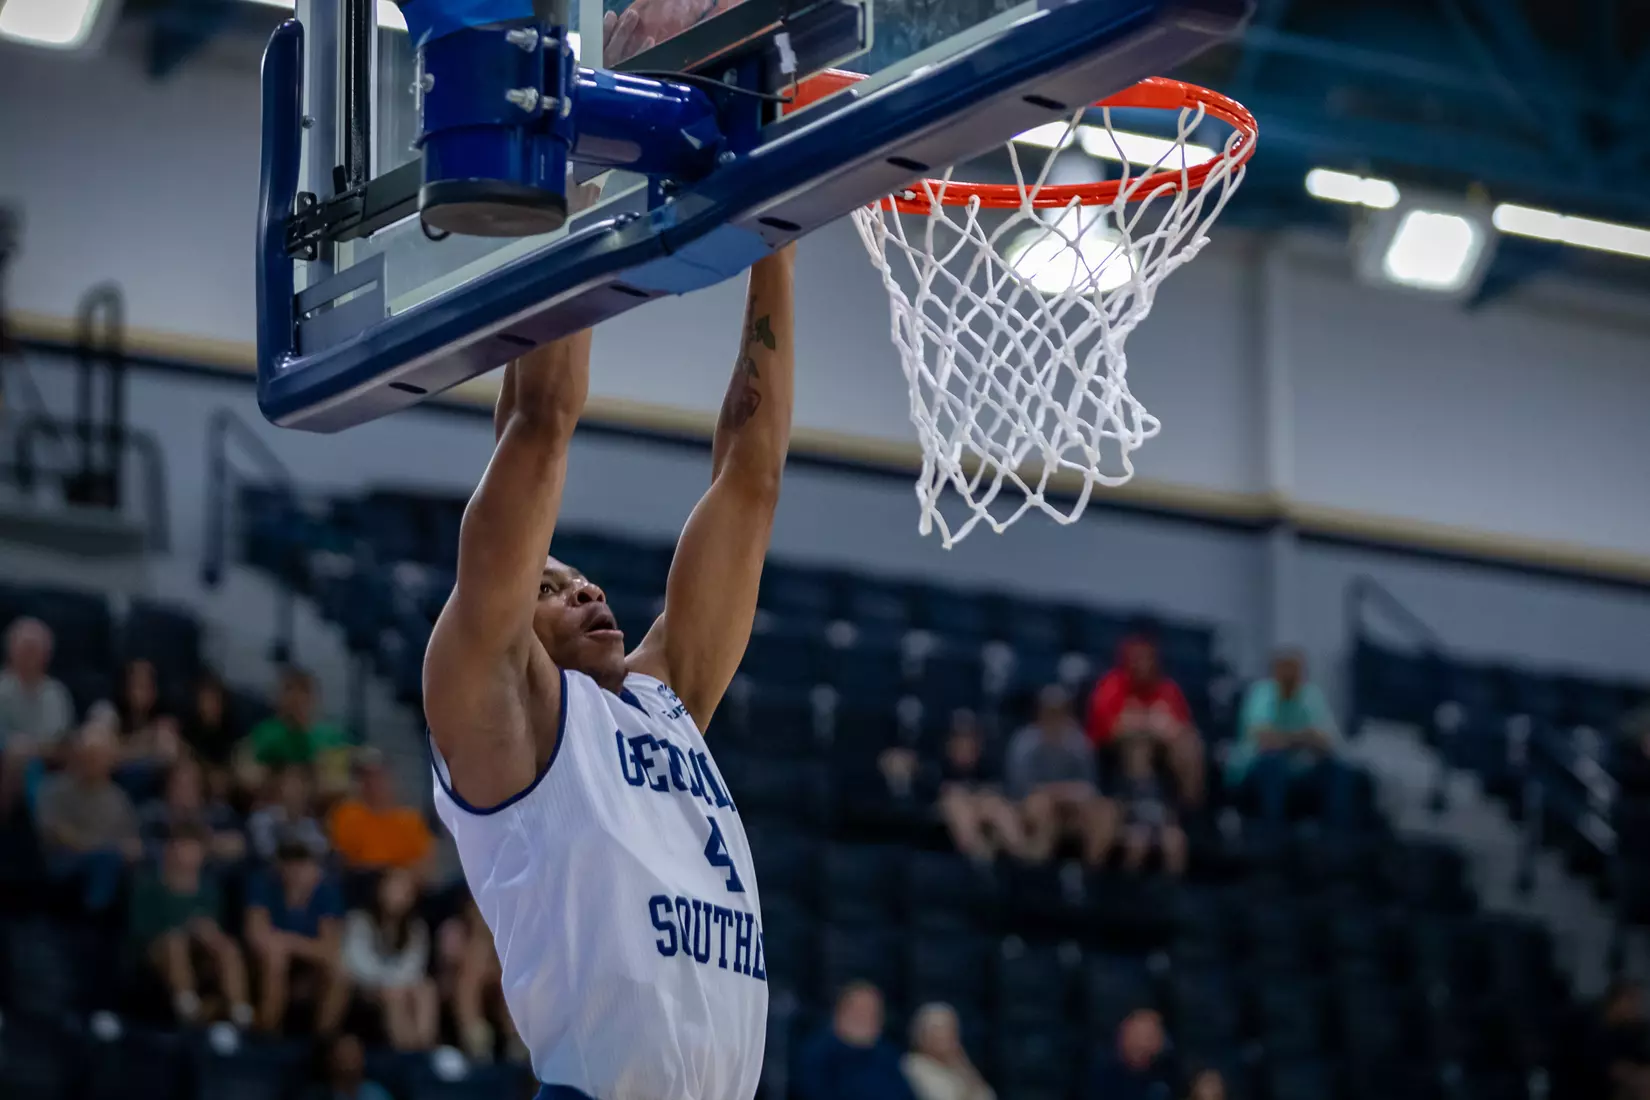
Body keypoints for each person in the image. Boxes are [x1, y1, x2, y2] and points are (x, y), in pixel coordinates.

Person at [422, 246, 795, 1099]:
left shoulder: (666, 699)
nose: (583, 585)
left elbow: (752, 479)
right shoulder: (498, 714)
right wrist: (576, 208)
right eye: (549, 589)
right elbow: (540, 422)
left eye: (580, 578)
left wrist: (778, 234)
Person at [128, 822, 253, 1027]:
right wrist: (187, 929)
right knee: (175, 943)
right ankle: (188, 1011)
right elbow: (141, 932)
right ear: (169, 849)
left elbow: (213, 926)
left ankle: (240, 1014)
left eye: (192, 848)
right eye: (181, 846)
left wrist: (209, 933)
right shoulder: (147, 885)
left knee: (227, 946)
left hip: (198, 952)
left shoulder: (209, 889)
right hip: (155, 954)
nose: (185, 854)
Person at [1228, 650, 1357, 827]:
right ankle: (1272, 834)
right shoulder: (1262, 692)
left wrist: (1288, 739)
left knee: (1339, 770)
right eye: (1284, 668)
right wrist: (1304, 738)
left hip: (1299, 772)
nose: (1289, 674)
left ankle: (1336, 839)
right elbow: (1265, 740)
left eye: (1294, 669)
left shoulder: (1311, 695)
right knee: (1273, 765)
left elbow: (1327, 741)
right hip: (1255, 770)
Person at [244, 836, 350, 1034]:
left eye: (302, 863)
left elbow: (329, 949)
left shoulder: (326, 893)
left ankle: (323, 1041)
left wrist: (290, 942)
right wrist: (288, 946)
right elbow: (256, 935)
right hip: (263, 965)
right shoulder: (264, 884)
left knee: (340, 972)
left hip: (309, 970)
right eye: (289, 863)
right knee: (276, 957)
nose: (295, 871)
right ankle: (267, 1032)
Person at [35, 719, 143, 913]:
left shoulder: (118, 798)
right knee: (105, 859)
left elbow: (131, 841)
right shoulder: (54, 789)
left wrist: (130, 849)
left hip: (110, 863)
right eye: (88, 755)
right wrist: (101, 847)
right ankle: (95, 916)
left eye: (99, 757)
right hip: (65, 862)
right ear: (77, 756)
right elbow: (56, 833)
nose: (92, 762)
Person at [1086, 636, 1205, 807]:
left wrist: (1151, 723)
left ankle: (1191, 809)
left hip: (1163, 750)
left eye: (1145, 659)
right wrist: (1150, 723)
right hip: (1114, 751)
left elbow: (1180, 727)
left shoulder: (1167, 688)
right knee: (1139, 744)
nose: (1140, 664)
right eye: (1135, 659)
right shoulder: (1111, 685)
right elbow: (1110, 729)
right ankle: (1144, 807)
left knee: (1190, 743)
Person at [1004, 686, 1116, 866]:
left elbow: (1089, 788)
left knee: (1106, 812)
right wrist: (1057, 794)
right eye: (1050, 712)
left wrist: (1061, 794)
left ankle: (1087, 878)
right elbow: (1021, 791)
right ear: (1040, 713)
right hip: (1033, 806)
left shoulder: (1078, 743)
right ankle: (1036, 873)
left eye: (1059, 712)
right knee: (1042, 806)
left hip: (1072, 806)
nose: (1054, 718)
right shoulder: (1025, 743)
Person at [341, 867, 438, 1051]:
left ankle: (424, 1046)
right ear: (380, 889)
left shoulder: (416, 928)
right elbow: (358, 962)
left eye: (405, 891)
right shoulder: (359, 920)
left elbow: (415, 965)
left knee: (427, 989)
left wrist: (397, 984)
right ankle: (405, 1050)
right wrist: (391, 983)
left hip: (400, 985)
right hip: (366, 985)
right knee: (393, 995)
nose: (398, 895)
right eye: (394, 887)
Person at [923, 709, 1026, 864]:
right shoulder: (937, 769)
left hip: (989, 822)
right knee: (956, 804)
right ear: (949, 743)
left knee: (995, 807)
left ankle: (1023, 862)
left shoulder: (988, 767)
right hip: (950, 824)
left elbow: (1000, 794)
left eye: (970, 740)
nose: (965, 745)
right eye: (959, 740)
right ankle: (980, 866)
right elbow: (935, 798)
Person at [437, 895, 526, 1064]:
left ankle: (516, 1041)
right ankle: (476, 1040)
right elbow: (451, 971)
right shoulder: (454, 931)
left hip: (496, 992)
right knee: (471, 974)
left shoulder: (505, 935)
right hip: (459, 990)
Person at [0, 616, 76, 813]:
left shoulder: (56, 693)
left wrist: (30, 749)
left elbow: (60, 742)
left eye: (35, 650)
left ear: (46, 655)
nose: (29, 655)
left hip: (45, 763)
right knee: (15, 756)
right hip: (6, 761)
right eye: (24, 648)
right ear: (11, 651)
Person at [794, 981, 916, 1100]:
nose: (867, 1018)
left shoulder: (888, 1054)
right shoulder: (817, 1053)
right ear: (841, 1013)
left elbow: (904, 1094)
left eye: (874, 1012)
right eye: (860, 1011)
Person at [241, 666, 351, 795]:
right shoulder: (265, 733)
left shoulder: (330, 736)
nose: (297, 698)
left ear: (314, 698)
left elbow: (337, 784)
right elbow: (248, 778)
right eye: (290, 690)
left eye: (304, 691)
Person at [327, 750, 434, 875]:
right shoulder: (346, 814)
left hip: (402, 882)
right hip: (361, 881)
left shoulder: (411, 820)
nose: (373, 783)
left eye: (379, 776)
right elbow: (343, 861)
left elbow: (424, 867)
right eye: (367, 777)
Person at [139, 755, 245, 862]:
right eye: (178, 784)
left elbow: (239, 844)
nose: (184, 791)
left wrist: (209, 843)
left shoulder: (218, 815)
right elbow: (141, 847)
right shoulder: (153, 814)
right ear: (168, 786)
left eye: (191, 784)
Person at [1113, 733, 1188, 876]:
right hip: (1131, 826)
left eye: (1143, 749)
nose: (1139, 753)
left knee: (1175, 840)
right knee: (1137, 840)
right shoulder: (1119, 779)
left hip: (1158, 826)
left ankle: (1171, 889)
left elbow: (1172, 810)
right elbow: (1115, 810)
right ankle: (1129, 887)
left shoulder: (1163, 779)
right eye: (1135, 749)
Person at [901, 1002, 995, 1100]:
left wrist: (964, 1068)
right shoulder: (912, 1065)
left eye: (949, 1028)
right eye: (937, 1029)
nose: (944, 1035)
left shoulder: (959, 1064)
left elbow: (988, 1095)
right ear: (922, 1034)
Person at [1086, 1009, 1175, 1100]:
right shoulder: (1100, 1078)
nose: (1144, 1044)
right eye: (1138, 1035)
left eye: (1149, 1037)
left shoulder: (1165, 1082)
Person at [247, 763, 329, 862]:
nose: (294, 790)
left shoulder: (312, 822)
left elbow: (321, 850)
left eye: (300, 784)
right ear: (280, 787)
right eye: (289, 784)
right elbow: (265, 852)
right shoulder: (262, 819)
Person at [181, 670, 242, 790]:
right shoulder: (188, 729)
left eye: (216, 700)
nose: (212, 706)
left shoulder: (231, 728)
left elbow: (233, 765)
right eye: (207, 700)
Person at [302, 1032, 395, 1100]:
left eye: (355, 1055)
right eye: (345, 1054)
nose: (351, 1062)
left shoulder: (376, 1093)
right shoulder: (316, 1095)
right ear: (331, 1060)